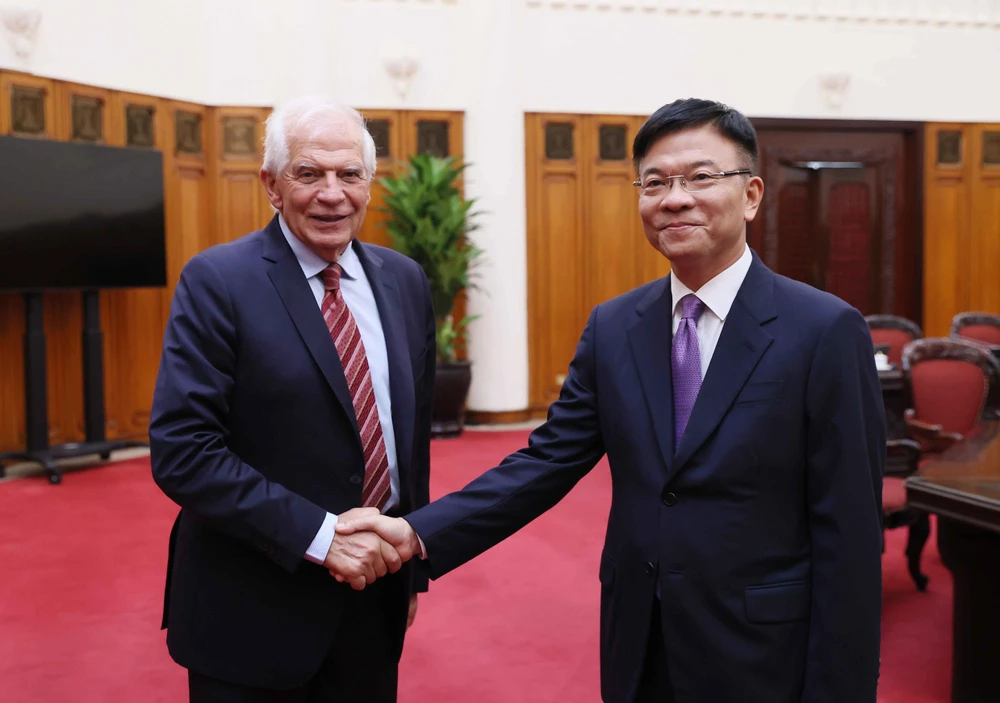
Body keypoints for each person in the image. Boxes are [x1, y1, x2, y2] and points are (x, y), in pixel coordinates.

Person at [338, 98, 886, 702]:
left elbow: (850, 533)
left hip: (762, 651)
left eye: (702, 177)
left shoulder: (824, 330)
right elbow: (545, 463)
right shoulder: (615, 327)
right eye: (655, 182)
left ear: (751, 194)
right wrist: (415, 533)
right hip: (640, 638)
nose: (675, 198)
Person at [148, 95, 436, 702]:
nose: (332, 193)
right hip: (254, 609)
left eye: (349, 174)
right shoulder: (218, 281)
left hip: (372, 602)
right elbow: (184, 451)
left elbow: (409, 441)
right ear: (272, 185)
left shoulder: (405, 281)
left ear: (368, 183)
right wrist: (321, 535)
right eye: (309, 173)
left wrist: (410, 573)